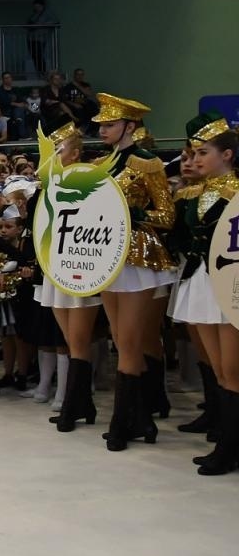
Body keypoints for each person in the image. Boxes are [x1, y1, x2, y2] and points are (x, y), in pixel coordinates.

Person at [93, 94, 179, 452]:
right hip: (107, 253)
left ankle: (120, 422)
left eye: (109, 125)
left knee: (128, 341)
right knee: (120, 338)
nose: (102, 131)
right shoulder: (101, 163)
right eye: (101, 125)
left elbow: (167, 215)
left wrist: (130, 213)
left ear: (130, 126)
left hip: (138, 257)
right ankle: (140, 418)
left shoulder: (148, 163)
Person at [171, 120, 239, 475]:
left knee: (233, 370)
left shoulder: (237, 192)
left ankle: (229, 447)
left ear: (226, 154)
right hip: (200, 279)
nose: (194, 160)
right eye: (193, 153)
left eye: (203, 153)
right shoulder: (192, 193)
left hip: (229, 282)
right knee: (219, 369)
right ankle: (226, 443)